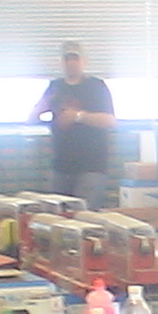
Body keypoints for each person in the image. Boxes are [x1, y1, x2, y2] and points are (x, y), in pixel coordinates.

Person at [31, 43, 115, 206]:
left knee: (85, 216)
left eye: (75, 58)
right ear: (61, 62)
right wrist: (41, 108)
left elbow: (109, 121)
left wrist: (78, 116)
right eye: (67, 59)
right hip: (61, 166)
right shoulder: (55, 86)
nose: (71, 63)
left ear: (84, 61)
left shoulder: (96, 86)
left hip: (91, 167)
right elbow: (32, 118)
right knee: (58, 216)